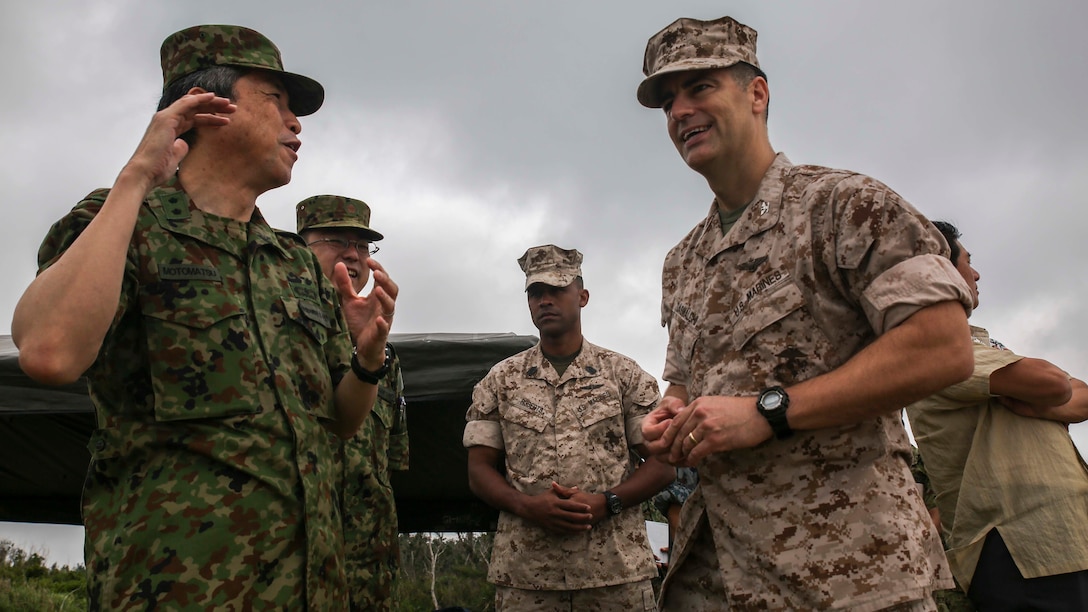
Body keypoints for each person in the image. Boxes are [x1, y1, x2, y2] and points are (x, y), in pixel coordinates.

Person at [11, 25, 398, 609]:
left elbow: (340, 424)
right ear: (207, 106)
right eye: (278, 102)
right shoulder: (124, 221)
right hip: (177, 591)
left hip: (310, 589)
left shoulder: (296, 263)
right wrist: (138, 176)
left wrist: (367, 360)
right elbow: (49, 352)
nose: (297, 124)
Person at [635, 16, 977, 610]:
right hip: (715, 573)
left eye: (700, 88)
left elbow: (944, 345)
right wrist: (672, 416)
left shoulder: (844, 206)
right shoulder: (683, 260)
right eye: (668, 101)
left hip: (848, 571)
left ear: (757, 94)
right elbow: (687, 383)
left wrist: (769, 414)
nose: (679, 112)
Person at [464, 245, 675, 611]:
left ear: (583, 296)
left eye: (556, 290)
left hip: (615, 574)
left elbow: (663, 464)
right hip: (527, 579)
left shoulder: (622, 375)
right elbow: (479, 470)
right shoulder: (501, 381)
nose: (545, 300)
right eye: (535, 292)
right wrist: (528, 507)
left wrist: (606, 503)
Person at [906, 220, 1088, 610]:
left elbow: (1083, 398)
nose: (976, 273)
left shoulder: (980, 347)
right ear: (941, 272)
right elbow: (1056, 384)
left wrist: (1040, 397)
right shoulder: (934, 351)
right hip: (1021, 549)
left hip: (1066, 538)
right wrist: (1048, 398)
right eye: (967, 262)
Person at [297, 194, 409, 611]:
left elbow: (390, 464)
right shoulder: (275, 334)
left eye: (363, 246)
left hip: (368, 572)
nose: (353, 255)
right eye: (334, 240)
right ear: (297, 249)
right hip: (292, 562)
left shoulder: (385, 357)